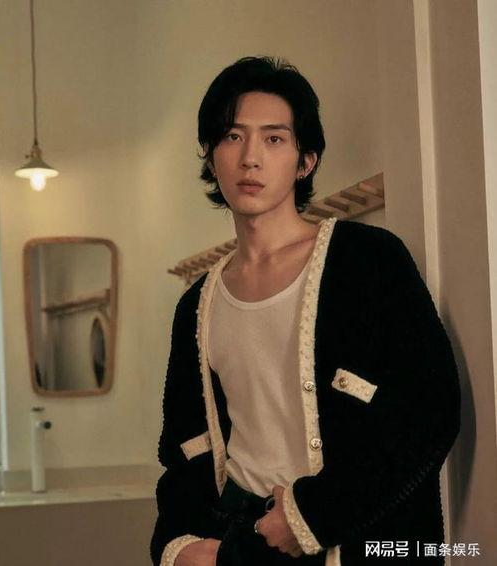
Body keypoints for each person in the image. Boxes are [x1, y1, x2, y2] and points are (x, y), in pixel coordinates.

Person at [150, 56, 461, 566]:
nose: (250, 158)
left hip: (358, 539)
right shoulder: (197, 305)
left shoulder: (368, 260)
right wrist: (178, 544)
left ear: (306, 161)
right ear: (209, 155)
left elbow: (430, 409)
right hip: (241, 539)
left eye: (274, 139)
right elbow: (183, 449)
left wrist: (310, 516)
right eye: (232, 136)